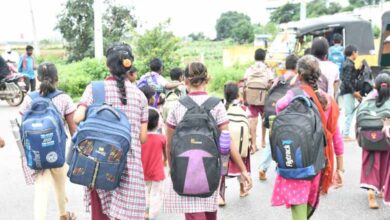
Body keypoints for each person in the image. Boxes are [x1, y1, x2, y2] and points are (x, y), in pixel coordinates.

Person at [164, 62, 252, 220]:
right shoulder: (217, 105)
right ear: (207, 80)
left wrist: (172, 168)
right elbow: (227, 141)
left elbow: (170, 144)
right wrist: (243, 170)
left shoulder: (177, 107)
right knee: (211, 214)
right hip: (210, 170)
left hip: (184, 170)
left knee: (194, 215)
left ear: (185, 80)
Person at [74, 43, 148, 220]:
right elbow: (143, 138)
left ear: (108, 65)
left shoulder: (95, 88)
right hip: (129, 167)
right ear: (129, 66)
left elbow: (77, 118)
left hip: (99, 163)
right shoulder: (140, 96)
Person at [271, 55, 344, 220]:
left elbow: (279, 115)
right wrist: (340, 167)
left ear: (299, 74)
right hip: (318, 162)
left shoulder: (291, 96)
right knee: (308, 206)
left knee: (298, 209)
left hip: (295, 159)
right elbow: (336, 136)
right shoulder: (328, 100)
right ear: (318, 76)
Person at [19, 62, 77, 220]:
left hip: (37, 153)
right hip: (57, 151)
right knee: (60, 183)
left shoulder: (29, 98)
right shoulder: (64, 98)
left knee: (41, 190)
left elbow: (23, 127)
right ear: (57, 78)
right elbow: (73, 129)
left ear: (37, 78)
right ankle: (63, 214)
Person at [259, 54, 299, 181]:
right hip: (283, 111)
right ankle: (282, 166)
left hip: (271, 110)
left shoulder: (279, 78)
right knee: (286, 139)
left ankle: (263, 167)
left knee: (273, 138)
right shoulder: (295, 80)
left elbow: (269, 92)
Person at [359, 73, 390, 209]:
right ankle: (382, 188)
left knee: (370, 164)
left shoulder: (367, 101)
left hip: (368, 139)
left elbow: (358, 123)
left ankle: (371, 191)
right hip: (385, 140)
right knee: (383, 164)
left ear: (375, 87)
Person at [219, 82, 251, 206]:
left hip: (226, 147)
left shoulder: (223, 108)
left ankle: (221, 197)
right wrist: (252, 142)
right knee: (244, 165)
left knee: (222, 170)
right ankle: (242, 189)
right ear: (238, 94)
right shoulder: (243, 108)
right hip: (242, 146)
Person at [244, 48, 273, 152]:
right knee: (264, 119)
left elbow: (245, 81)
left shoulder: (250, 68)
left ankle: (253, 144)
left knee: (253, 120)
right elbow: (271, 82)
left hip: (252, 98)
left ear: (255, 57)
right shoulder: (267, 69)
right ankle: (263, 141)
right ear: (264, 57)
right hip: (263, 98)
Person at [142, 108, 167, 219]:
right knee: (156, 195)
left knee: (144, 193)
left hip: (142, 171)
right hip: (156, 172)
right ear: (157, 123)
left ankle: (145, 212)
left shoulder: (140, 138)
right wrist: (165, 161)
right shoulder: (161, 138)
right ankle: (151, 216)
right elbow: (166, 154)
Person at [340, 45, 363, 141]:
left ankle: (344, 132)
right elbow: (347, 81)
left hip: (348, 91)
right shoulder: (349, 65)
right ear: (353, 52)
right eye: (357, 52)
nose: (357, 54)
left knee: (349, 111)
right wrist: (354, 92)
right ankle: (345, 134)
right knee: (349, 112)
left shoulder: (348, 63)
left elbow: (351, 78)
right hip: (348, 91)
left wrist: (359, 70)